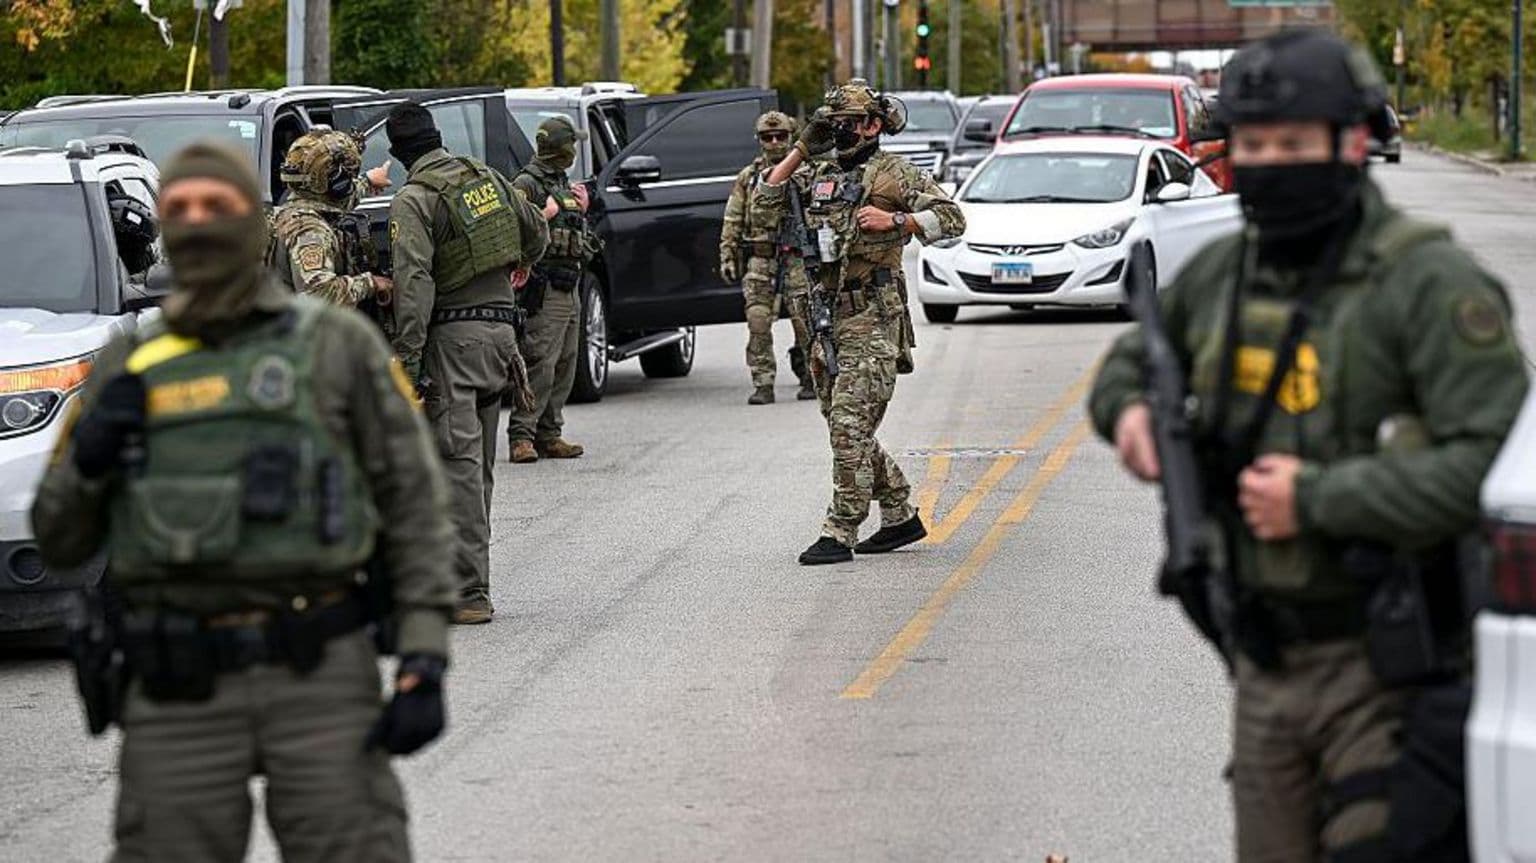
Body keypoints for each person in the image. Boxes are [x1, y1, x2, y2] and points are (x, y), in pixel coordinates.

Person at [1088, 31, 1529, 862]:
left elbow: (1494, 462)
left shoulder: (1428, 284)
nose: (1272, 163)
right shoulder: (1222, 272)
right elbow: (1130, 363)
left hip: (1393, 666)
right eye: (1253, 146)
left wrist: (1321, 498)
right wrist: (1133, 413)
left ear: (1354, 144)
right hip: (1263, 662)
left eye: (1295, 145)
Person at [31, 140, 457, 862]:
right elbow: (59, 538)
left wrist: (424, 653)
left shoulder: (337, 347)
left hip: (318, 671)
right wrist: (94, 453)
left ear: (251, 223)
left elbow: (413, 505)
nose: (199, 223)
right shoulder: (128, 364)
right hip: (177, 689)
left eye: (217, 207)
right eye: (181, 210)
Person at [751, 80, 965, 565]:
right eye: (831, 124)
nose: (839, 132)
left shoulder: (896, 173)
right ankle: (898, 513)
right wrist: (804, 147)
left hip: (873, 317)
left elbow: (952, 218)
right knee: (842, 424)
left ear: (873, 124)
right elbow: (764, 206)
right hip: (825, 320)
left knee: (849, 425)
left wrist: (899, 223)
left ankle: (841, 528)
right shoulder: (818, 173)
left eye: (845, 123)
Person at [386, 103, 550, 625]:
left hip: (452, 345)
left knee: (457, 467)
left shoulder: (414, 199)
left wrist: (408, 363)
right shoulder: (488, 178)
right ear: (437, 137)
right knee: (476, 467)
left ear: (396, 155)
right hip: (501, 338)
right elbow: (537, 237)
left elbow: (414, 284)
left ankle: (469, 593)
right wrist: (518, 269)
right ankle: (463, 578)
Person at [506, 116, 596, 463]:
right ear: (559, 147)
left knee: (566, 363)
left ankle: (550, 433)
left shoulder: (560, 181)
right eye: (571, 143)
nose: (575, 150)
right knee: (539, 361)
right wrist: (544, 214)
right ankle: (521, 436)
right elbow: (512, 228)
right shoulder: (527, 183)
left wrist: (580, 209)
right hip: (544, 286)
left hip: (569, 282)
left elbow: (573, 230)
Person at [719, 110, 815, 405]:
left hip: (797, 259)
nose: (774, 142)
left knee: (805, 321)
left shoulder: (808, 174)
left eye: (781, 136)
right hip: (761, 258)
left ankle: (810, 375)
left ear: (792, 137)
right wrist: (728, 253)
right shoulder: (749, 178)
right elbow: (733, 218)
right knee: (758, 322)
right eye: (767, 137)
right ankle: (763, 383)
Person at [269, 128, 392, 310]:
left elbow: (334, 200)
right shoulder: (310, 231)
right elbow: (320, 294)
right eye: (347, 179)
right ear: (336, 185)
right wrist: (371, 283)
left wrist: (367, 181)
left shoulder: (290, 211)